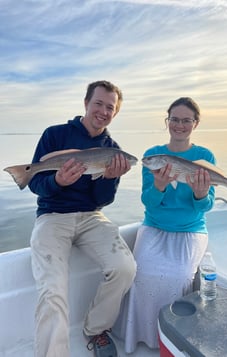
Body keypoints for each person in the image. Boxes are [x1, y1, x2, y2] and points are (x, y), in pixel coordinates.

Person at [29, 80, 137, 357]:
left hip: (91, 216)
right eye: (98, 103)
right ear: (86, 103)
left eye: (110, 107)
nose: (103, 110)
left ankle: (95, 328)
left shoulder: (114, 150)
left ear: (115, 112)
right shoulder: (55, 134)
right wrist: (57, 181)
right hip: (52, 216)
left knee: (125, 267)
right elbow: (35, 183)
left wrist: (109, 178)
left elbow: (102, 200)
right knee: (53, 289)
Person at [115, 97, 216, 353]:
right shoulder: (152, 156)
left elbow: (205, 207)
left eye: (186, 120)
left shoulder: (204, 156)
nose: (179, 125)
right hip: (155, 226)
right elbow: (148, 202)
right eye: (174, 119)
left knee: (178, 276)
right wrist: (159, 186)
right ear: (167, 121)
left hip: (190, 229)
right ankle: (144, 336)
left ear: (195, 123)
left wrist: (200, 194)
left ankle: (172, 338)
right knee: (140, 275)